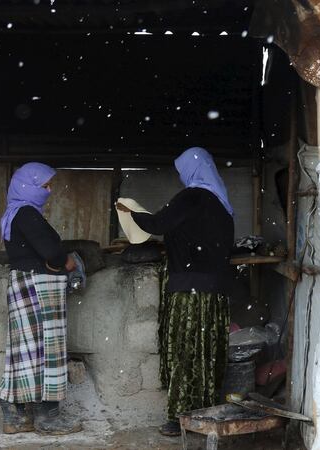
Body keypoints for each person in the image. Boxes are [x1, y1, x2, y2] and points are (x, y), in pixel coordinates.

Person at [117, 147, 234, 437]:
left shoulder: (191, 197)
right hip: (216, 294)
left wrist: (131, 212)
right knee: (208, 354)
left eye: (183, 171)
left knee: (185, 353)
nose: (182, 178)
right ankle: (207, 413)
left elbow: (157, 224)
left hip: (188, 293)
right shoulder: (223, 204)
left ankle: (178, 418)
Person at [0, 162, 81, 436]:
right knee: (46, 352)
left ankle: (15, 415)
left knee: (25, 352)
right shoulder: (27, 215)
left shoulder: (15, 213)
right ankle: (48, 418)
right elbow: (52, 253)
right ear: (27, 186)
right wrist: (67, 261)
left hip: (26, 283)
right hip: (38, 287)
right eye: (44, 186)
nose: (49, 190)